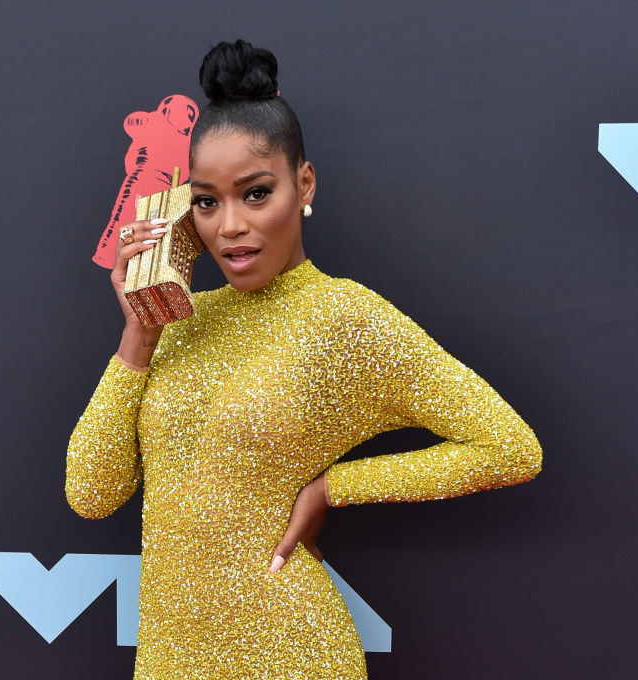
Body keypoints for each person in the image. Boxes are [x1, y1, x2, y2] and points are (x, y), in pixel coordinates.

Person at [66, 39, 542, 680]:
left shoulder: (346, 317)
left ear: (304, 184)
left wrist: (333, 488)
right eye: (206, 202)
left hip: (292, 649)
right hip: (168, 661)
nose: (229, 225)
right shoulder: (178, 328)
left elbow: (511, 448)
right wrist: (138, 334)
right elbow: (91, 495)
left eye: (255, 193)